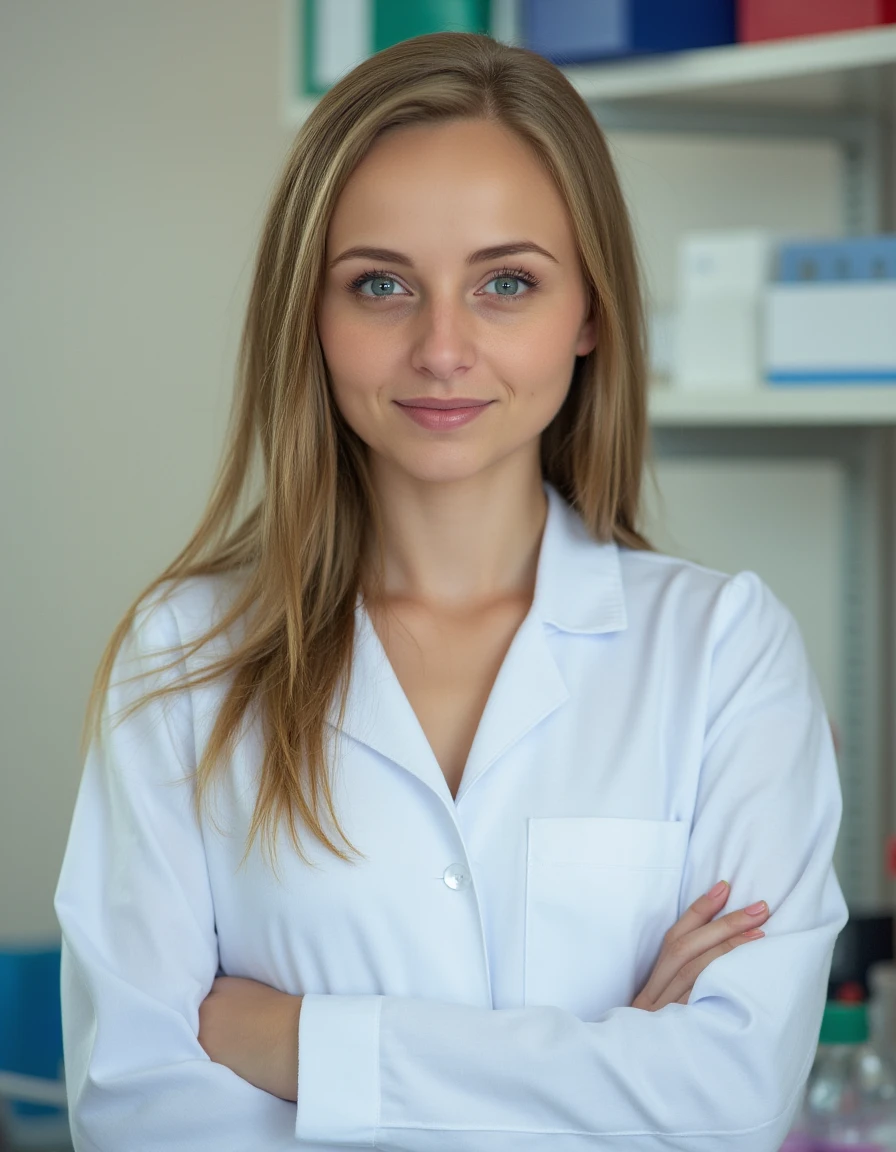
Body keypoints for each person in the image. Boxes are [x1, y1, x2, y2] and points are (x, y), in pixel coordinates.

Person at [53, 30, 848, 1152]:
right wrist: (607, 1058)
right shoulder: (186, 653)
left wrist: (302, 1048)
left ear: (587, 317)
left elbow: (723, 1098)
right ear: (309, 320)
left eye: (504, 283)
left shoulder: (721, 650)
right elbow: (142, 1109)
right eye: (379, 284)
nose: (439, 347)